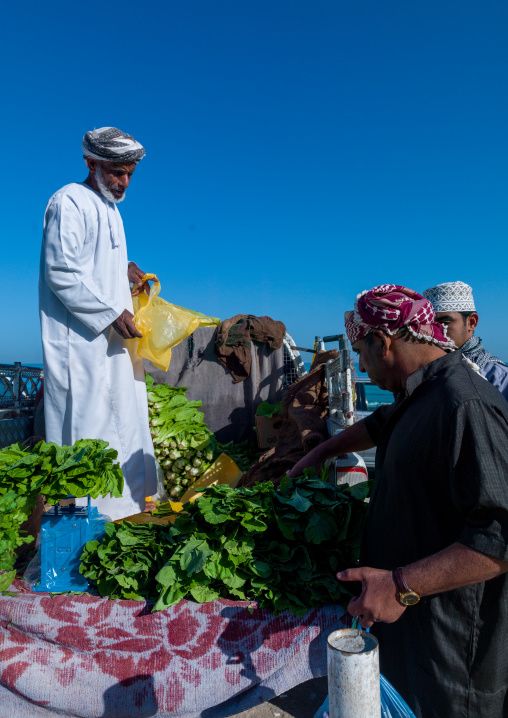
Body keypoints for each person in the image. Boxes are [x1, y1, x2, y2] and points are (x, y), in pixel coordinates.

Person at [289, 285, 508, 718]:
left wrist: (402, 585)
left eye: (360, 353)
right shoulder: (420, 391)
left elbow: (500, 534)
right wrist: (317, 453)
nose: (361, 366)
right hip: (413, 624)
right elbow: (379, 424)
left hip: (451, 641)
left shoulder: (464, 404)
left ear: (384, 342)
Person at [39, 127, 157, 520]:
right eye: (116, 172)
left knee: (125, 425)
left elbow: (96, 260)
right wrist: (110, 314)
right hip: (82, 346)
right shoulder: (68, 201)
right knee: (88, 434)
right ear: (91, 163)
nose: (123, 182)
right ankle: (85, 530)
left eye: (129, 174)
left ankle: (126, 518)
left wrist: (127, 269)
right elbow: (61, 270)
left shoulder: (111, 209)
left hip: (113, 346)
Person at [423, 280, 508, 400]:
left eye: (444, 323)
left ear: (471, 322)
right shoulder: (423, 373)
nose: (435, 332)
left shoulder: (501, 378)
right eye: (430, 326)